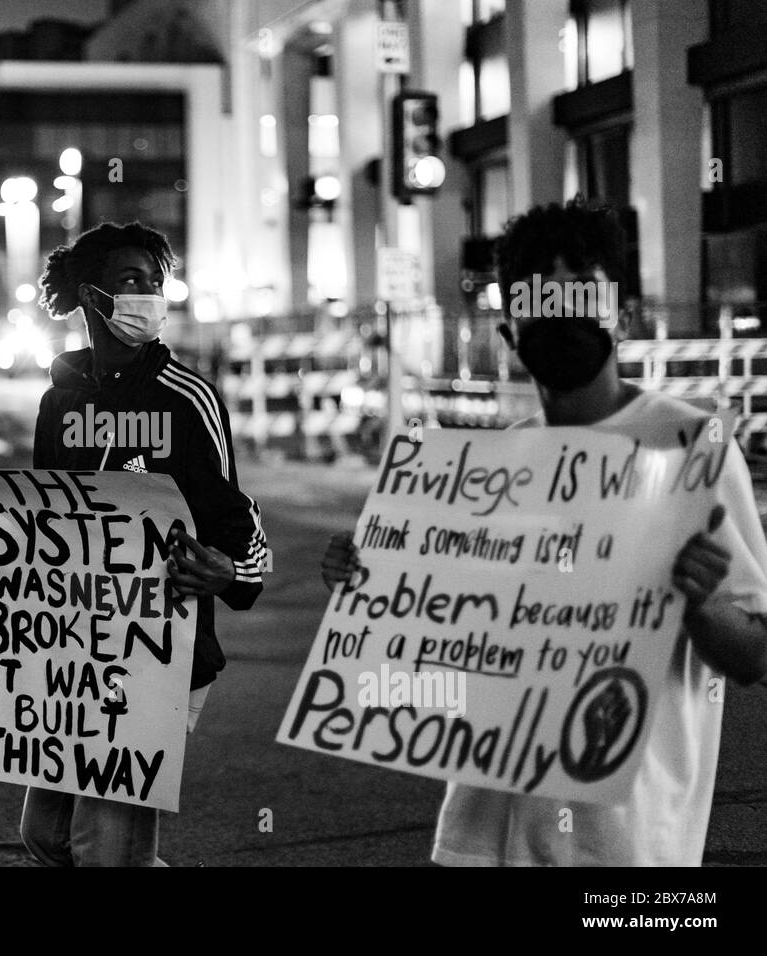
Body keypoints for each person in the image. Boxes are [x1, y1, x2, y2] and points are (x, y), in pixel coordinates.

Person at [320, 198, 767, 865]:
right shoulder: (488, 471)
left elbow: (753, 654)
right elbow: (449, 655)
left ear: (623, 315)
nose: (562, 318)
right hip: (478, 835)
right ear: (509, 333)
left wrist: (701, 603)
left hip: (622, 844)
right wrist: (373, 590)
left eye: (582, 296)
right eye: (541, 302)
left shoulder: (689, 451)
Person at [0, 221, 270, 866]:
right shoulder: (58, 403)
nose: (149, 296)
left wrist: (231, 573)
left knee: (105, 850)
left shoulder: (188, 399)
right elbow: (41, 522)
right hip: (75, 662)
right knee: (47, 838)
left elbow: (239, 517)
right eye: (130, 282)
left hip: (163, 652)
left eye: (157, 282)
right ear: (91, 296)